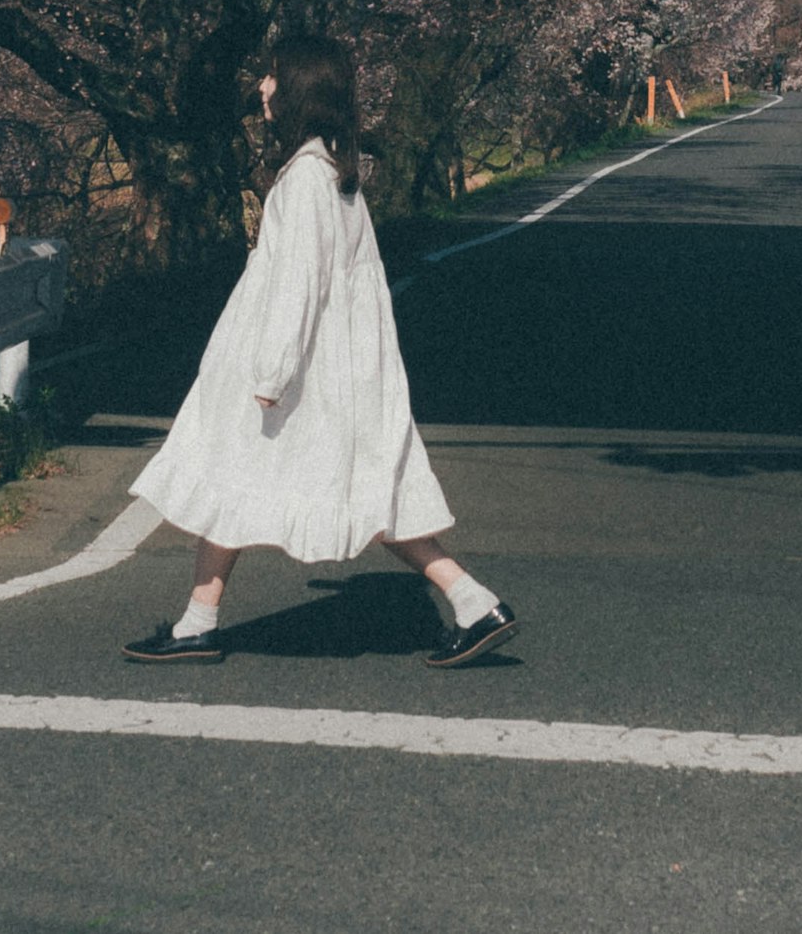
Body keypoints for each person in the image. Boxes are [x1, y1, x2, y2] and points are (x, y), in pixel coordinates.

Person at [124, 36, 517, 670]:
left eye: (273, 78)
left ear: (301, 89)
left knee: (260, 472)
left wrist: (271, 374)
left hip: (289, 367)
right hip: (331, 364)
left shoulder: (308, 178)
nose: (262, 88)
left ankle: (470, 599)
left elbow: (299, 282)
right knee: (312, 481)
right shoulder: (335, 172)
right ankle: (472, 602)